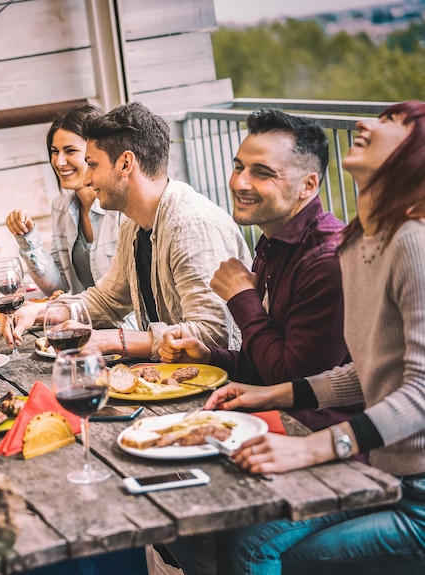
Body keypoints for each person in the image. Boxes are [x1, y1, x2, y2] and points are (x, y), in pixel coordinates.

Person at [173, 101, 425, 575]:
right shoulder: (360, 241)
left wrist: (313, 447)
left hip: (414, 489)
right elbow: (370, 370)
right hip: (386, 467)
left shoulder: (411, 241)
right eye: (238, 167)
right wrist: (278, 392)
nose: (365, 122)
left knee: (247, 546)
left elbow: (421, 392)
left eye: (392, 122)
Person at [159, 109, 361, 433]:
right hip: (278, 420)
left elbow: (291, 384)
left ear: (308, 185)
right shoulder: (274, 242)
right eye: (239, 166)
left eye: (262, 173)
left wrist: (242, 298)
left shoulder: (326, 261)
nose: (239, 182)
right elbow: (265, 367)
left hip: (322, 439)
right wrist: (210, 358)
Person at [4, 102, 252, 359]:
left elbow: (213, 335)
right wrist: (40, 312)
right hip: (170, 374)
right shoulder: (133, 224)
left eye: (93, 165)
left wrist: (112, 340)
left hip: (225, 384)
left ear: (125, 164)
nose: (87, 179)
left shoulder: (191, 226)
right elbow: (107, 300)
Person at [5, 104, 123, 295]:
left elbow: (128, 298)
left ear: (95, 152)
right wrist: (27, 238)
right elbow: (58, 286)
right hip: (82, 320)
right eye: (54, 151)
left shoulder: (121, 210)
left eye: (70, 151)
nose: (59, 162)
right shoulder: (61, 207)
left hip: (124, 324)